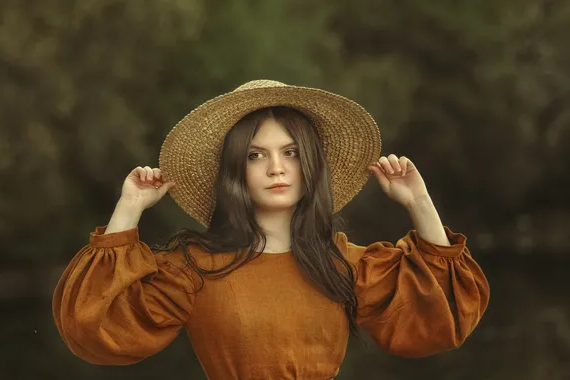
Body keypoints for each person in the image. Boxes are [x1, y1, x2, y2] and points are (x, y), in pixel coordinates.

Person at [52, 80, 490, 379]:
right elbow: (93, 328)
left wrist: (419, 202)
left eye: (292, 152)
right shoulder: (194, 268)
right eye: (256, 155)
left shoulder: (345, 264)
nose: (277, 168)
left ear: (311, 164)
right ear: (235, 171)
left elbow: (442, 321)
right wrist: (129, 208)